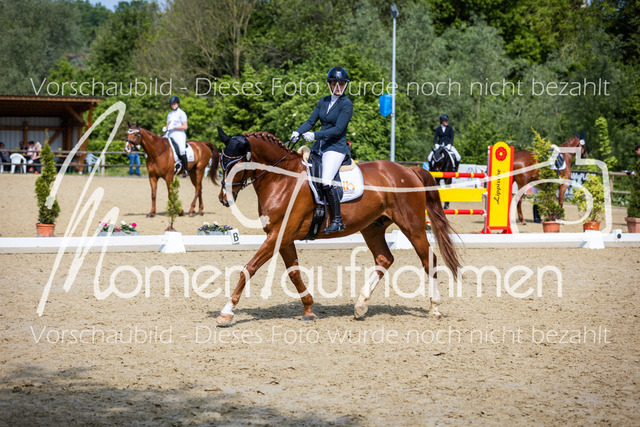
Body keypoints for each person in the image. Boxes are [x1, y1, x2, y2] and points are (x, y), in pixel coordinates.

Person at [292, 66, 353, 234]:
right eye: (335, 83)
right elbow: (310, 121)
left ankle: (337, 220)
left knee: (326, 181)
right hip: (319, 147)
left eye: (342, 83)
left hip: (335, 147)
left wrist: (315, 135)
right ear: (330, 84)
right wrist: (298, 132)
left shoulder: (346, 104)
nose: (338, 86)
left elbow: (338, 130)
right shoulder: (323, 101)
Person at [163, 96, 188, 177]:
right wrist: (165, 128)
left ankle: (185, 169)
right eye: (171, 104)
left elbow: (185, 126)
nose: (173, 105)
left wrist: (174, 127)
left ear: (178, 104)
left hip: (179, 134)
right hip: (169, 133)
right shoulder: (169, 114)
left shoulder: (182, 113)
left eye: (174, 104)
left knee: (181, 150)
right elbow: (167, 125)